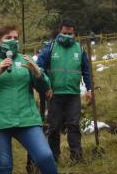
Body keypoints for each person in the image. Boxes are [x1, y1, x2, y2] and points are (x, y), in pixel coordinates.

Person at [0, 25, 57, 174]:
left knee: (45, 156)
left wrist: (38, 73)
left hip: (26, 119)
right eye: (8, 38)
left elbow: (45, 89)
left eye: (16, 38)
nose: (13, 41)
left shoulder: (27, 60)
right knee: (4, 165)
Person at [37, 19, 92, 162]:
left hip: (73, 94)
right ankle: (54, 157)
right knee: (54, 127)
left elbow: (86, 71)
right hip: (54, 95)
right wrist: (46, 86)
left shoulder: (79, 49)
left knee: (73, 125)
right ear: (59, 31)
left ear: (74, 33)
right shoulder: (50, 47)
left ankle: (77, 156)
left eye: (70, 33)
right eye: (64, 33)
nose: (67, 35)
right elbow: (39, 69)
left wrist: (89, 89)